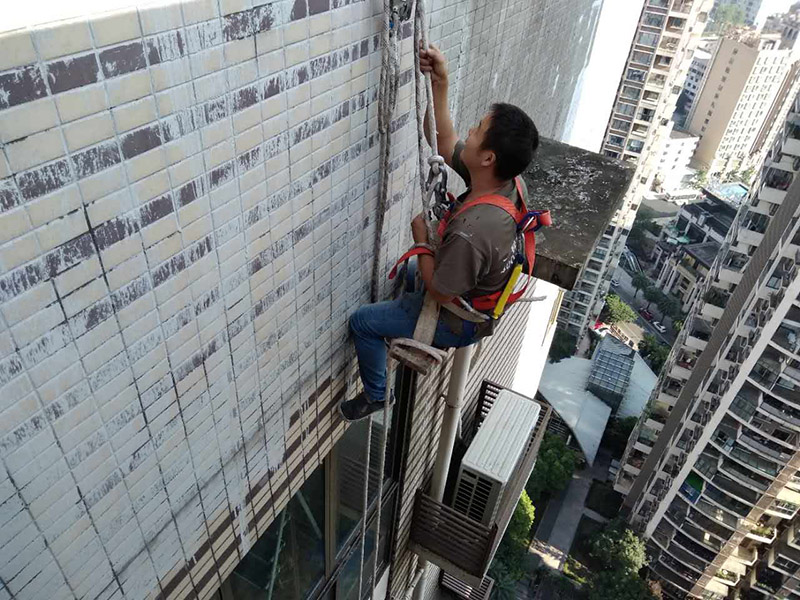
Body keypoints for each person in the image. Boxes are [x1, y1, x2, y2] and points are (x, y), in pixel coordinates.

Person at [339, 43, 540, 422]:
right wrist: (440, 82)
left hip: (457, 318)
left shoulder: (473, 231)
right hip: (469, 288)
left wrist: (420, 240)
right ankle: (400, 316)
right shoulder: (505, 184)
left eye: (478, 130)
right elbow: (444, 142)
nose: (470, 131)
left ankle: (377, 396)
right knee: (412, 273)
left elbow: (441, 292)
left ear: (488, 158)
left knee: (363, 322)